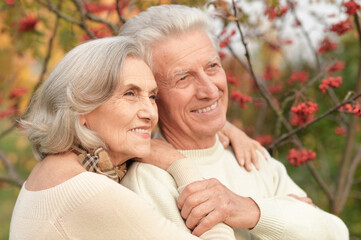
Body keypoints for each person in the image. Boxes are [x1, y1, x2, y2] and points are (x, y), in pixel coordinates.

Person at [118, 4, 349, 240]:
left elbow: (336, 232)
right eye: (184, 78)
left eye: (212, 67)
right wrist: (290, 218)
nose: (209, 90)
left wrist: (249, 210)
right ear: (152, 95)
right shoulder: (148, 182)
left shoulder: (249, 156)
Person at [9, 36, 240, 240]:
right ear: (81, 108)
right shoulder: (88, 192)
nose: (150, 113)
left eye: (152, 96)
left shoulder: (57, 170)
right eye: (130, 94)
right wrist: (180, 164)